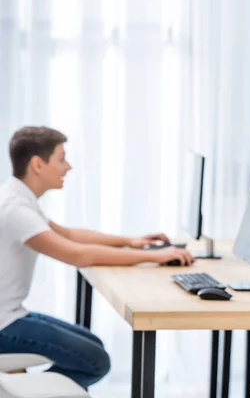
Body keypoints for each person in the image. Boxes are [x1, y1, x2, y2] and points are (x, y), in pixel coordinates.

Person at [0, 126, 194, 389]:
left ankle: (25, 389)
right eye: (61, 158)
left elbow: (69, 235)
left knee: (92, 346)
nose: (67, 167)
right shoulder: (15, 209)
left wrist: (129, 242)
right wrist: (153, 257)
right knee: (95, 360)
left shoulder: (18, 198)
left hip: (11, 314)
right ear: (37, 164)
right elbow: (77, 255)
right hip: (5, 324)